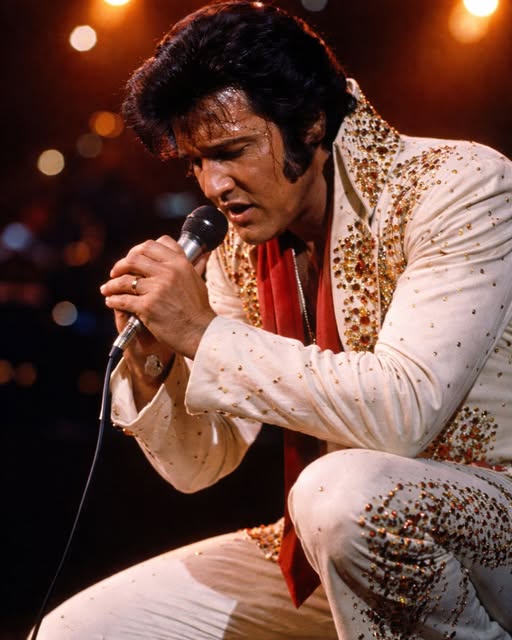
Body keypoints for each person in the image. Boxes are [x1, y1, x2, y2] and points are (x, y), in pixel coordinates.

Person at [36, 1, 512, 638]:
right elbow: (200, 463)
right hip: (343, 533)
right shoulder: (240, 250)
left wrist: (201, 333)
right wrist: (154, 363)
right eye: (196, 162)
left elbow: (404, 413)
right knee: (81, 629)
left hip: (489, 524)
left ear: (310, 122)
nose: (214, 185)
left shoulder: (457, 185)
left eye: (232, 151)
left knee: (336, 495)